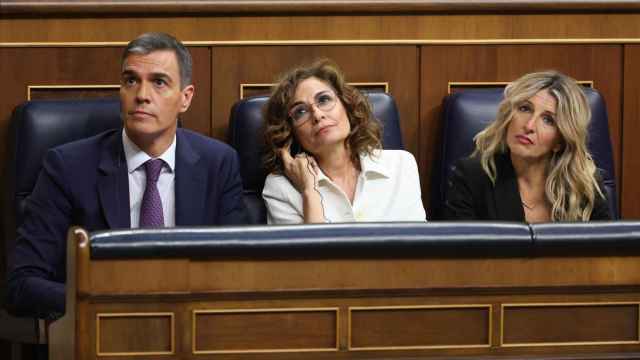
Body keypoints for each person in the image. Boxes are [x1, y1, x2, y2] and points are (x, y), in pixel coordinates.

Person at [7, 32, 247, 319]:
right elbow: (22, 284)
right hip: (101, 332)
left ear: (186, 98)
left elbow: (238, 271)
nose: (142, 95)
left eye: (159, 82)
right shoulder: (68, 167)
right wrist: (105, 304)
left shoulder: (218, 164)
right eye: (131, 80)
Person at [262, 59, 426, 224]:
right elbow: (311, 250)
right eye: (301, 111)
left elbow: (418, 246)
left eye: (324, 100)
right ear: (290, 131)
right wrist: (309, 192)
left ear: (347, 105)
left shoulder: (401, 165)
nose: (318, 115)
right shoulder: (280, 188)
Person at [443, 70, 611, 222]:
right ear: (508, 116)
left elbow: (607, 253)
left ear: (560, 141)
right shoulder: (472, 178)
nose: (529, 125)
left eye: (548, 120)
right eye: (525, 109)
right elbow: (460, 253)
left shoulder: (584, 186)